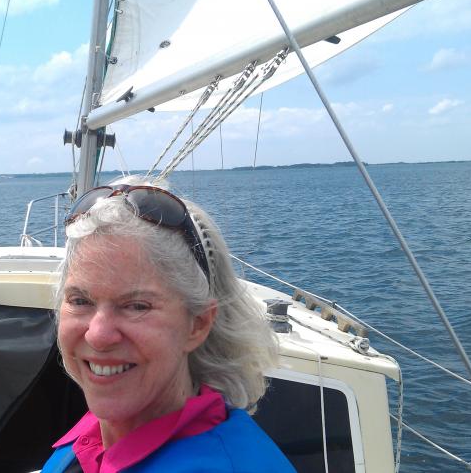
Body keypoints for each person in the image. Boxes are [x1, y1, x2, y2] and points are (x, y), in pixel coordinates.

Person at [42, 180, 294, 473]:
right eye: (80, 300)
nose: (98, 335)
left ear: (197, 324)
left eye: (137, 306)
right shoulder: (101, 432)